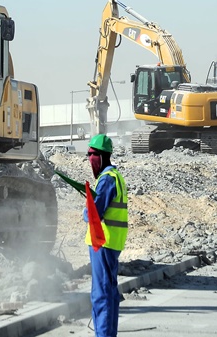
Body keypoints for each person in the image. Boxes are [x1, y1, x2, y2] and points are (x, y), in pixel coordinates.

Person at [83, 134, 127, 337]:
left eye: (92, 154)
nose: (90, 158)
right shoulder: (115, 176)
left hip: (103, 242)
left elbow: (94, 213)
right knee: (109, 293)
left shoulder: (107, 180)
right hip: (110, 242)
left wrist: (86, 210)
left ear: (101, 156)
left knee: (101, 294)